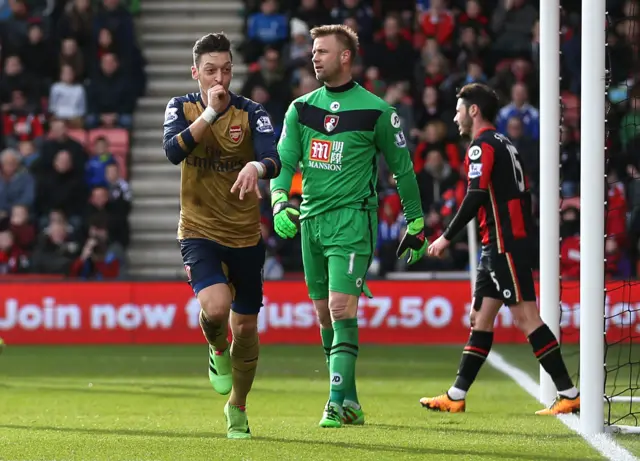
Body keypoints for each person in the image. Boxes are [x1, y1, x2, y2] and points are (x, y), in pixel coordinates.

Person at [269, 24, 428, 428]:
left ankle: (335, 402)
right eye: (313, 51)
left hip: (353, 221)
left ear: (345, 57)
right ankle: (352, 400)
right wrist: (278, 202)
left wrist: (417, 222)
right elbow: (285, 162)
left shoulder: (377, 111)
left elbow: (403, 171)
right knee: (324, 315)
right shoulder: (300, 108)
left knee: (341, 308)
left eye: (322, 51)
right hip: (311, 221)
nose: (314, 57)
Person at [421, 83, 580, 415]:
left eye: (459, 109)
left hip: (504, 244)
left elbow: (476, 194)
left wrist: (446, 236)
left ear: (473, 110)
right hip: (499, 243)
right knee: (480, 318)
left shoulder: (481, 147)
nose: (455, 116)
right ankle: (456, 395)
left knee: (526, 318)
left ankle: (569, 393)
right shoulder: (505, 143)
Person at [162, 32, 281, 439]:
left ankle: (238, 407)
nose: (219, 79)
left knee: (246, 328)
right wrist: (210, 115)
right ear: (195, 72)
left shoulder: (252, 112)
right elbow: (173, 151)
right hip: (197, 229)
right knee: (216, 309)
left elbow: (273, 157)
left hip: (245, 235)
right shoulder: (181, 106)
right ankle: (216, 348)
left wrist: (256, 169)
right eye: (210, 70)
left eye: (226, 70)